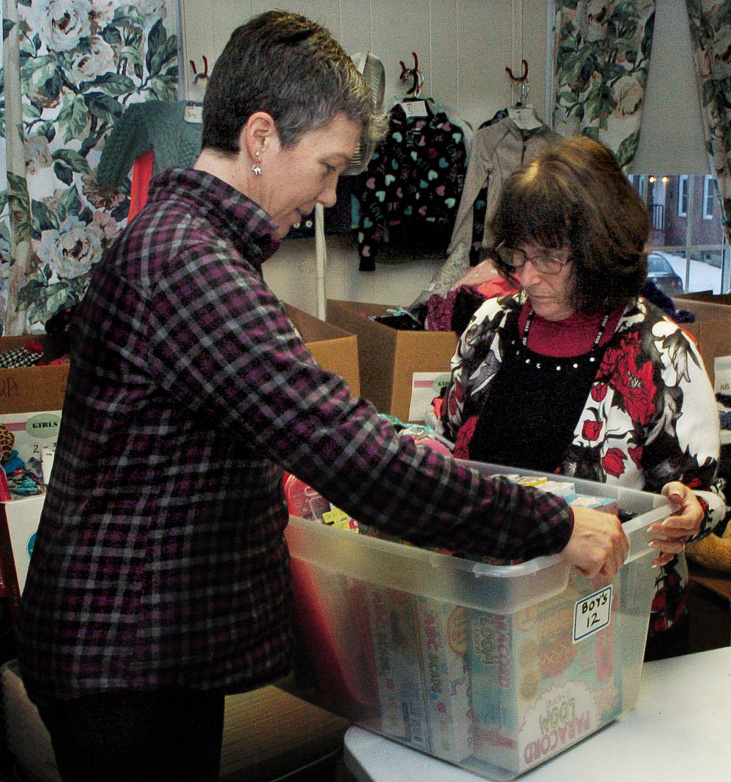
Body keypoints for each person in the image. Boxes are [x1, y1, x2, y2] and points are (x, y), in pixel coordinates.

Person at [15, 13, 632, 782]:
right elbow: (359, 460)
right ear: (262, 137)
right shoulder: (191, 265)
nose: (331, 193)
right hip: (125, 663)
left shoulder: (187, 242)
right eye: (329, 165)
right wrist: (555, 525)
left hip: (140, 649)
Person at [435, 135, 728, 661]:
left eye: (549, 257)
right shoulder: (490, 327)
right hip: (492, 617)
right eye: (517, 256)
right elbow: (446, 443)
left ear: (598, 250)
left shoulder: (659, 351)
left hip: (612, 636)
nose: (527, 275)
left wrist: (692, 512)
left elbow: (704, 495)